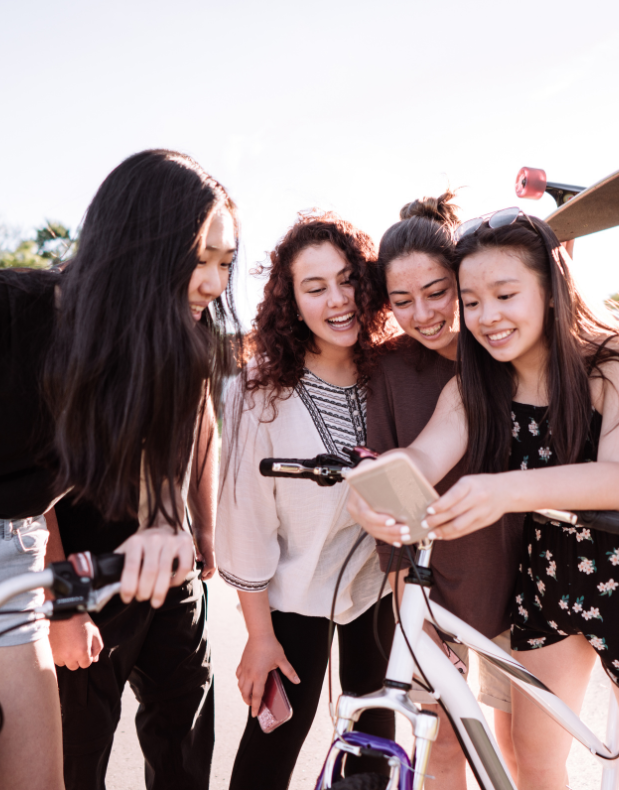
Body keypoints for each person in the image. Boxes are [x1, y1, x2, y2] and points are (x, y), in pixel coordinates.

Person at [0, 148, 237, 790]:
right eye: (200, 259)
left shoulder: (169, 356)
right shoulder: (3, 304)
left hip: (6, 556)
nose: (216, 283)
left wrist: (168, 530)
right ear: (139, 243)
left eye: (226, 263)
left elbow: (168, 481)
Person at [350, 209, 619, 790]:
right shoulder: (477, 383)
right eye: (471, 300)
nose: (486, 316)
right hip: (549, 580)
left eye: (505, 294)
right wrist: (373, 485)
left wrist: (501, 491)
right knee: (533, 763)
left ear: (550, 288)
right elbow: (422, 456)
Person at [217, 211, 395, 790]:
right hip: (293, 595)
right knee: (270, 753)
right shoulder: (257, 389)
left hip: (377, 587)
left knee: (373, 751)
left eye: (348, 280)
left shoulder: (390, 371)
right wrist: (259, 634)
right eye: (315, 288)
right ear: (291, 301)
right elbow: (244, 519)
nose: (338, 300)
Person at [365, 190, 523, 788]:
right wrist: (416, 611)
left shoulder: (507, 349)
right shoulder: (389, 369)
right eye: (402, 301)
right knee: (446, 749)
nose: (423, 314)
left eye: (437, 291)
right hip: (438, 587)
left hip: (522, 580)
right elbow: (396, 475)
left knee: (515, 751)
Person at [50, 394, 219, 790]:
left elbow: (201, 414)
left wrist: (206, 523)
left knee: (184, 738)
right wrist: (64, 603)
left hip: (174, 578)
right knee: (77, 753)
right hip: (85, 579)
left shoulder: (192, 331)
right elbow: (32, 485)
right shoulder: (62, 336)